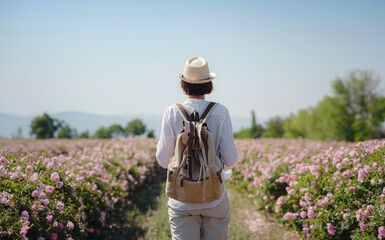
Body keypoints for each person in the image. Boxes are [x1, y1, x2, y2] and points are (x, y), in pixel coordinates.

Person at [156, 57, 239, 240]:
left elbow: (163, 161)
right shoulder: (221, 111)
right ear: (209, 85)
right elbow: (231, 159)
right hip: (214, 197)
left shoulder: (171, 112)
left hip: (181, 199)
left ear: (183, 84)